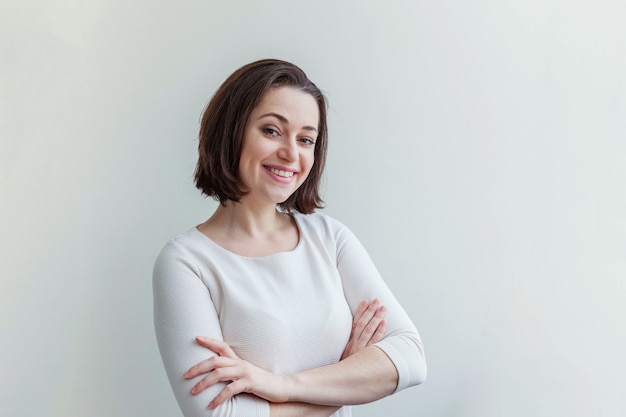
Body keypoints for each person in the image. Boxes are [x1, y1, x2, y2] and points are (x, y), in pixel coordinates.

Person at [153, 59, 426, 417]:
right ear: (230, 131)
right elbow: (219, 414)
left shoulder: (330, 238)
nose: (291, 153)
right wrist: (344, 381)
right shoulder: (186, 262)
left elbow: (410, 357)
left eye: (306, 139)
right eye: (271, 130)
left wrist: (279, 386)